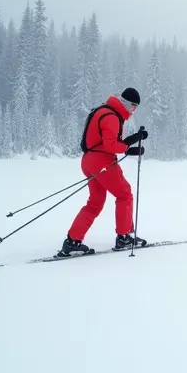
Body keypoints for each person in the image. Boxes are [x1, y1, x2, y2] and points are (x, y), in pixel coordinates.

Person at [59, 87, 150, 256]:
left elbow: (107, 140)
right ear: (126, 103)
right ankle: (124, 237)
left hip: (89, 161)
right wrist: (126, 148)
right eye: (133, 106)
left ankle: (72, 241)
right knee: (125, 194)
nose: (133, 111)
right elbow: (110, 145)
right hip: (101, 161)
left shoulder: (105, 111)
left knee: (95, 201)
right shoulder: (111, 116)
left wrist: (132, 141)